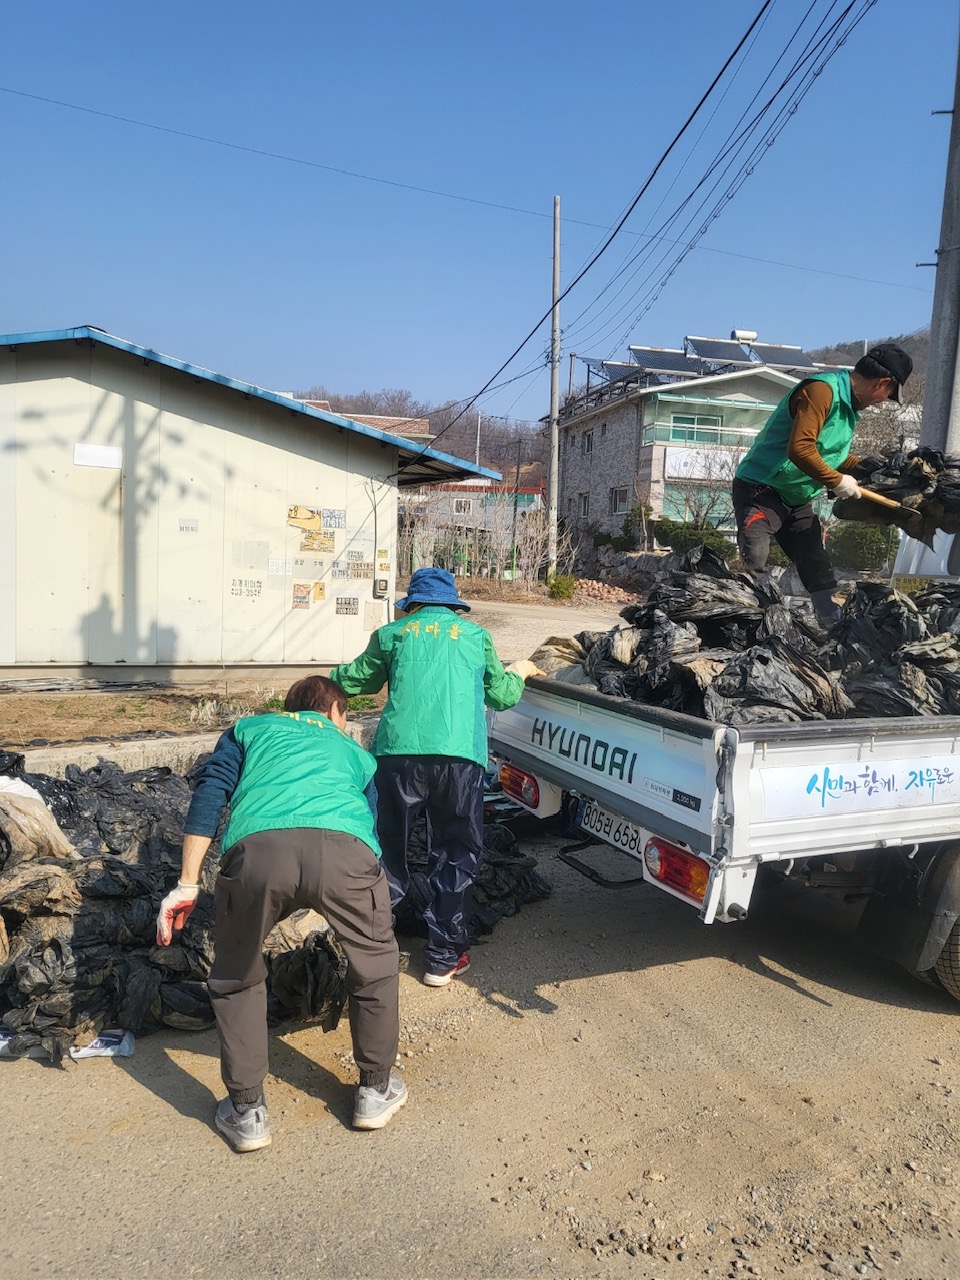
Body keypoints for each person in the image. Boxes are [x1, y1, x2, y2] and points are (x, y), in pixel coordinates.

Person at [155, 675, 405, 1152]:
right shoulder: (354, 751)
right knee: (374, 965)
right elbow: (369, 823)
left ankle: (247, 1113)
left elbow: (211, 794)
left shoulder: (249, 729)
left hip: (257, 852)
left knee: (236, 975)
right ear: (334, 711)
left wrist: (187, 884)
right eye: (345, 716)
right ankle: (374, 1090)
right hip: (346, 852)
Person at [330, 566, 542, 987]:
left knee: (387, 852)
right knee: (455, 852)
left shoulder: (392, 635)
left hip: (396, 759)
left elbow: (353, 681)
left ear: (412, 604)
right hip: (459, 760)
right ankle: (443, 958)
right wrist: (521, 670)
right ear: (452, 604)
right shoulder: (475, 637)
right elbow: (500, 694)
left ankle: (373, 952)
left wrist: (317, 688)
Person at [732, 343, 913, 623]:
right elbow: (800, 449)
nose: (882, 401)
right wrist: (837, 480)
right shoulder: (821, 391)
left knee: (816, 563)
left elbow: (831, 455)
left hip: (796, 494)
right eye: (888, 395)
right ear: (883, 383)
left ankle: (833, 623)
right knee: (754, 557)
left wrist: (873, 469)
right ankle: (740, 623)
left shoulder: (849, 410)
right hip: (762, 488)